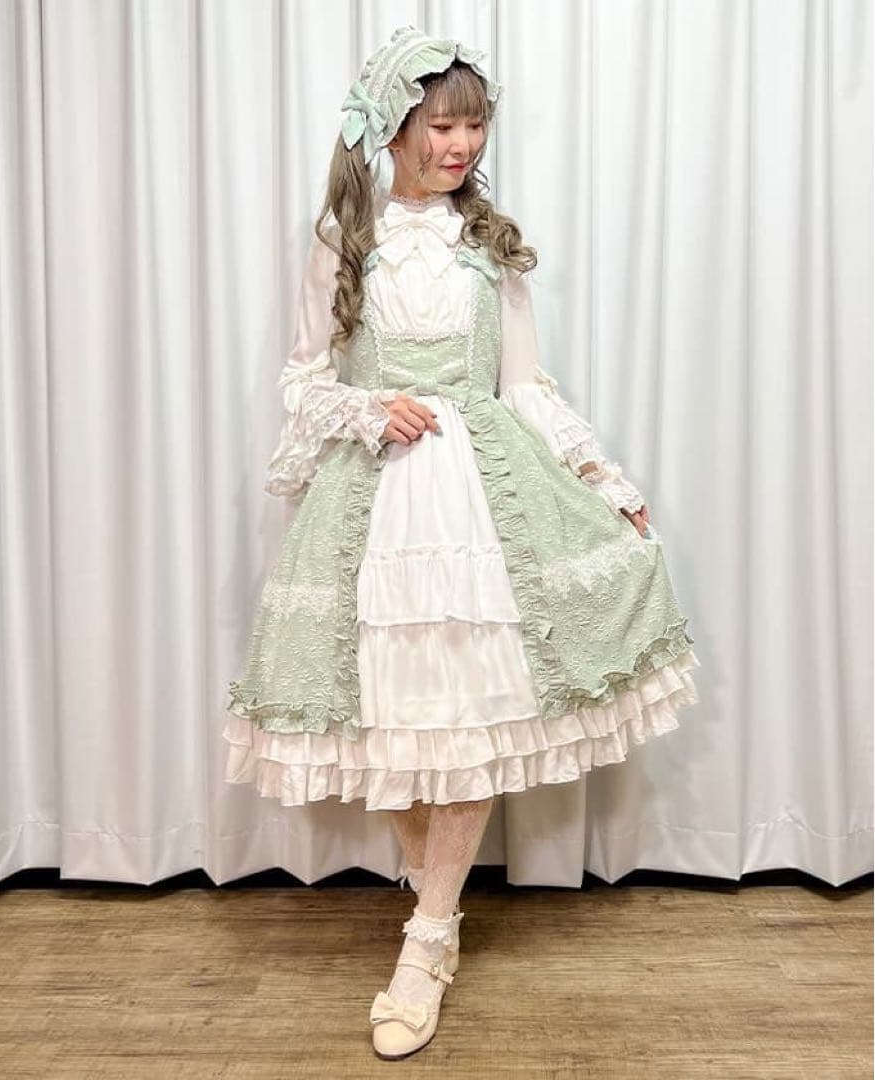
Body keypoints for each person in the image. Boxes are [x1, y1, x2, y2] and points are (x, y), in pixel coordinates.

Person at [222, 25, 701, 1061]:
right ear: (393, 129)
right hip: (377, 501)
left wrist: (601, 480)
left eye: (474, 125)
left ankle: (428, 938)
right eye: (442, 125)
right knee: (391, 726)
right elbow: (303, 380)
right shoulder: (342, 238)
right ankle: (432, 918)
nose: (461, 144)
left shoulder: (488, 243)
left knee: (470, 721)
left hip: (484, 500)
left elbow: (523, 386)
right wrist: (367, 408)